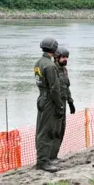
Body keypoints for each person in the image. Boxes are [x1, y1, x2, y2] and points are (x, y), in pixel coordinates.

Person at [33, 37, 63, 173]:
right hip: (50, 100)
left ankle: (43, 159)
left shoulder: (38, 62)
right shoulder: (50, 66)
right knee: (47, 131)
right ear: (54, 49)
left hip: (41, 98)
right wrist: (59, 106)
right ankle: (43, 162)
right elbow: (55, 89)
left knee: (41, 130)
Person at [49, 46, 76, 164]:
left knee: (61, 130)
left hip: (63, 103)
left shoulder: (64, 70)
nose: (65, 59)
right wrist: (57, 105)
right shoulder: (52, 69)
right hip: (54, 104)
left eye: (66, 57)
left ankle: (54, 156)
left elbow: (66, 87)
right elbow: (52, 89)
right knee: (54, 130)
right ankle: (49, 157)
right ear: (56, 57)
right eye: (63, 57)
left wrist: (70, 102)